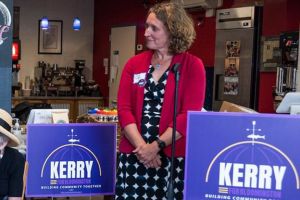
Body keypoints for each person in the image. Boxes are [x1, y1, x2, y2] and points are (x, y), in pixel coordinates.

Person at [115, 2, 206, 199]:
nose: (146, 32)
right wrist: (143, 149)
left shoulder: (192, 66)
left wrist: (155, 147)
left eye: (154, 28)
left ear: (173, 32)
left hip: (172, 158)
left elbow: (188, 116)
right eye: (147, 26)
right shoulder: (134, 64)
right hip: (134, 156)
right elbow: (124, 109)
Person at [0, 109, 25, 200]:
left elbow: (14, 196)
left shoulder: (16, 159)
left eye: (3, 135)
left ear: (8, 139)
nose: (0, 140)